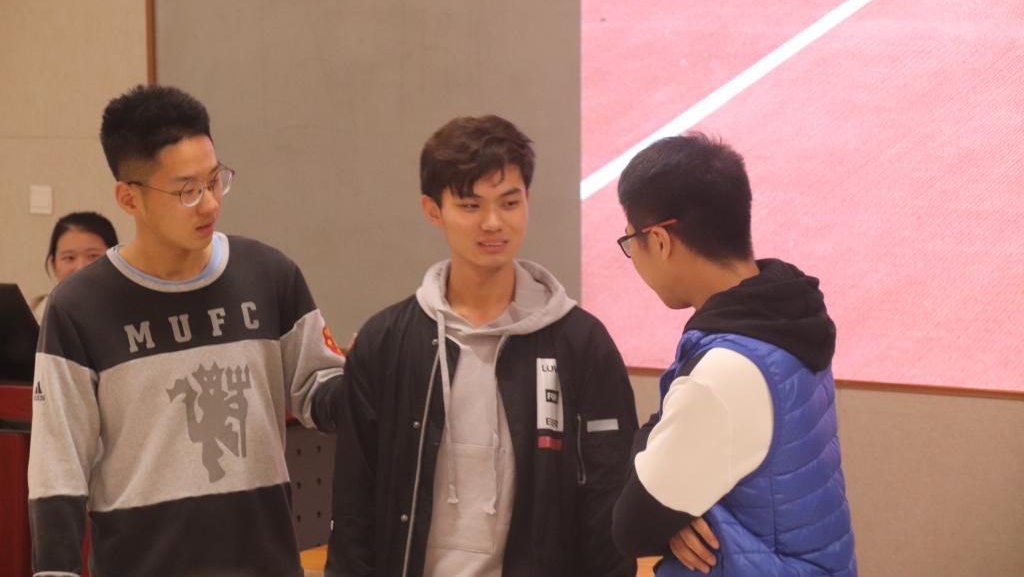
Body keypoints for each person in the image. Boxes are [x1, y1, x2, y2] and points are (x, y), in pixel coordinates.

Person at [27, 84, 346, 577]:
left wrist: (372, 376)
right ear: (129, 197)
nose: (210, 204)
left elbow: (318, 394)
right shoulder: (78, 307)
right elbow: (57, 468)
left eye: (215, 180)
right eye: (186, 191)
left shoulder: (269, 275)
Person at [326, 115, 638, 577]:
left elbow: (608, 500)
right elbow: (354, 509)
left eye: (509, 202)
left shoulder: (581, 344)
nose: (493, 223)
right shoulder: (385, 343)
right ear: (433, 210)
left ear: (527, 201)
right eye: (470, 205)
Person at [611, 133, 857, 576]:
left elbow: (632, 525)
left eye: (631, 241)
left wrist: (671, 512)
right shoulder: (785, 315)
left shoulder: (722, 374)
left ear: (660, 240)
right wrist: (673, 510)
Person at [30, 211, 119, 323]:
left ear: (116, 260)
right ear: (54, 265)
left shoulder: (130, 311)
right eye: (69, 258)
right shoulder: (35, 317)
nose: (80, 267)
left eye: (93, 256)